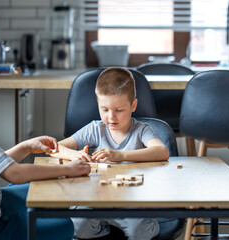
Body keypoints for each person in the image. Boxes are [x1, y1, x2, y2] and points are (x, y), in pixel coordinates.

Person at [0, 43, 91, 240]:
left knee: (36, 190)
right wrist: (70, 169)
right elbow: (15, 174)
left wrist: (26, 147)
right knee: (64, 226)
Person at [51, 67, 170, 240]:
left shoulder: (141, 130)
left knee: (138, 231)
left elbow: (162, 151)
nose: (111, 117)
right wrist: (74, 155)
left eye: (119, 110)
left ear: (133, 105)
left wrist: (121, 156)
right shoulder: (96, 129)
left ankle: (143, 225)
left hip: (131, 203)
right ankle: (108, 231)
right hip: (96, 201)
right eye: (105, 109)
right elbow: (54, 148)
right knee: (78, 225)